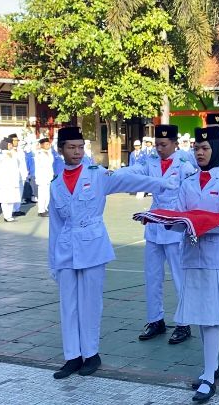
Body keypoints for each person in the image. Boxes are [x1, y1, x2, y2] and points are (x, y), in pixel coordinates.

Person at [49, 126, 174, 380]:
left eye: (80, 147)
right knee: (68, 305)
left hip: (92, 245)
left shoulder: (95, 174)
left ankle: (91, 354)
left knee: (90, 303)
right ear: (60, 149)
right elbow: (55, 225)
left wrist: (161, 183)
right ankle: (72, 356)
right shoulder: (55, 183)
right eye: (71, 147)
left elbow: (127, 180)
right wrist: (53, 261)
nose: (76, 152)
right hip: (66, 248)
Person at [172, 126, 219, 403]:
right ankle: (211, 366)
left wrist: (196, 223)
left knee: (211, 318)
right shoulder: (187, 183)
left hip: (216, 258)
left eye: (205, 149)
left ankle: (209, 376)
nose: (199, 153)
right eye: (196, 149)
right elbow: (178, 217)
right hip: (192, 255)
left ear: (216, 151)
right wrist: (163, 220)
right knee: (201, 314)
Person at [130, 125, 197, 345]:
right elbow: (136, 174)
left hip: (175, 223)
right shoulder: (150, 161)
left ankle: (183, 322)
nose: (159, 148)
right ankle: (155, 319)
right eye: (157, 144)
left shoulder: (186, 163)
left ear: (175, 143)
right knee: (152, 275)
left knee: (179, 275)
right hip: (154, 222)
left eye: (163, 144)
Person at [0, 138, 24, 222]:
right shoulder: (1, 156)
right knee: (5, 199)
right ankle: (6, 215)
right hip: (5, 180)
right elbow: (0, 169)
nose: (11, 146)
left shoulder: (14, 154)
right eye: (9, 144)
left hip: (13, 179)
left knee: (12, 198)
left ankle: (10, 214)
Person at [35, 138, 55, 217]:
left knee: (47, 194)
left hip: (49, 176)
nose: (48, 145)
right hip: (42, 176)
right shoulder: (39, 153)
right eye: (46, 144)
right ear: (42, 145)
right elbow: (41, 166)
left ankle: (46, 208)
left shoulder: (49, 153)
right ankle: (41, 210)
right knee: (42, 194)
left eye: (49, 144)